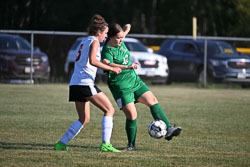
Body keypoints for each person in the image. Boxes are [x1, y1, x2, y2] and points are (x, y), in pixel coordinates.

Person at [101, 23, 182, 151]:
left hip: (134, 80)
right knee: (132, 115)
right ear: (110, 37)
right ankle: (131, 145)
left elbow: (123, 34)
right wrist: (127, 66)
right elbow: (108, 63)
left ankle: (168, 129)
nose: (121, 40)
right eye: (118, 38)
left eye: (122, 37)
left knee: (153, 101)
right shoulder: (107, 50)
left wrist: (126, 29)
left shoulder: (119, 40)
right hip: (120, 86)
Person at [54, 14, 122, 152]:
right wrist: (111, 68)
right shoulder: (95, 41)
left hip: (75, 84)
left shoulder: (85, 41)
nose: (106, 37)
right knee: (110, 110)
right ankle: (106, 144)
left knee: (84, 119)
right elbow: (92, 60)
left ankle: (61, 144)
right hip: (85, 84)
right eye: (105, 33)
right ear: (99, 32)